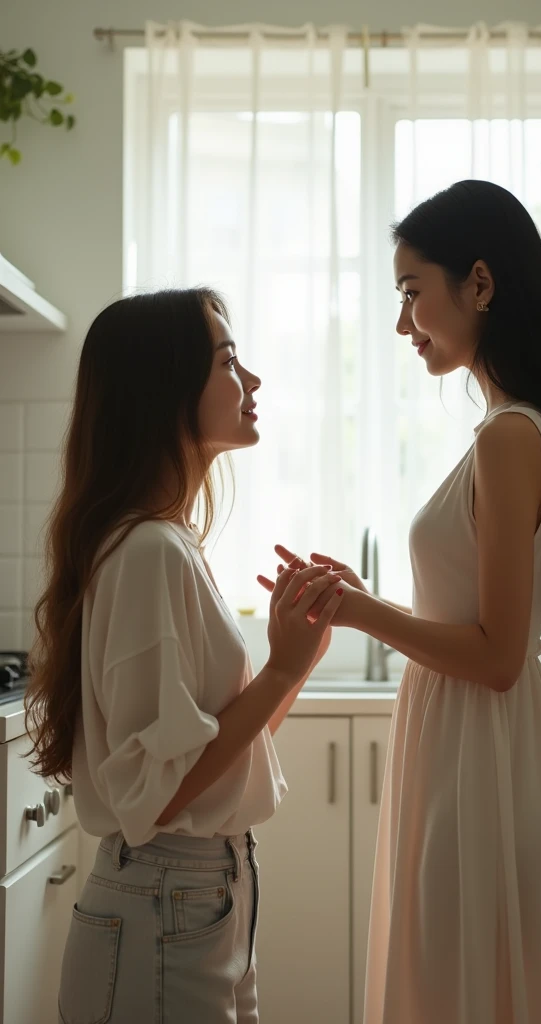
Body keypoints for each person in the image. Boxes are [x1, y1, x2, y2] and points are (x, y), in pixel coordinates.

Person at [261, 180, 541, 1024]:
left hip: (478, 765)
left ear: (481, 285)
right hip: (477, 756)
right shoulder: (518, 429)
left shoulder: (507, 438)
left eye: (411, 294)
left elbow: (495, 658)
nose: (402, 324)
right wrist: (361, 598)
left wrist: (358, 612)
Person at [24, 287, 344, 1024]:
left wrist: (296, 660)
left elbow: (215, 757)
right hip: (166, 902)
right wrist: (282, 669)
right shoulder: (149, 550)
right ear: (164, 388)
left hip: (201, 896)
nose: (252, 381)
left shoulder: (166, 543)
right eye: (230, 361)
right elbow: (155, 795)